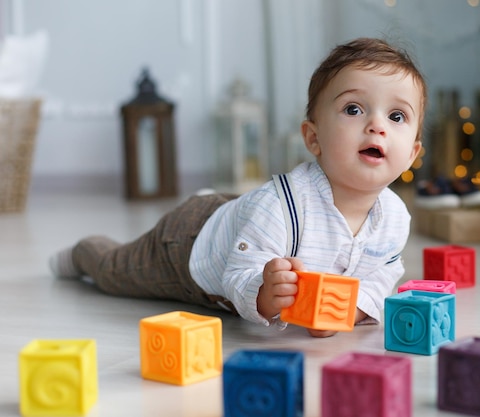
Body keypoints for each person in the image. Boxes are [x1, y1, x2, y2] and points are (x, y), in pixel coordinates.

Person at [49, 37, 428, 338]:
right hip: (190, 245)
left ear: (411, 153)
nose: (377, 125)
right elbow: (238, 273)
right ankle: (84, 253)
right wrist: (264, 295)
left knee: (252, 220)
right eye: (353, 109)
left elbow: (380, 275)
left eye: (397, 116)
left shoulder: (394, 219)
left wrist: (351, 310)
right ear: (313, 139)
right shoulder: (284, 206)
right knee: (118, 271)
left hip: (245, 219)